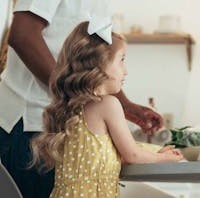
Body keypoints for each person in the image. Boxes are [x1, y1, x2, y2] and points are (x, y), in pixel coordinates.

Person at [0, 0, 164, 197]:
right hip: (27, 126)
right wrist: (73, 96)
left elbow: (99, 59)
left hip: (60, 125)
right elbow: (23, 35)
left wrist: (126, 106)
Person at [31, 21, 183, 198]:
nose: (125, 71)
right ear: (99, 65)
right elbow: (131, 155)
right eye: (121, 61)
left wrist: (155, 152)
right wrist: (164, 158)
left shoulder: (72, 107)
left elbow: (121, 150)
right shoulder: (108, 104)